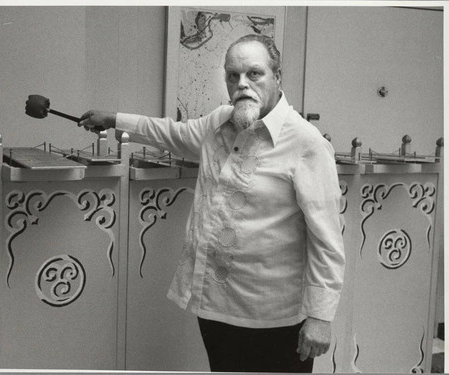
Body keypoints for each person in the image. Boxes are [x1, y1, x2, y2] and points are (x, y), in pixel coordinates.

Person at [79, 34, 345, 373]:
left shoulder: (306, 143)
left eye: (254, 74)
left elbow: (328, 241)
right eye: (232, 76)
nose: (241, 84)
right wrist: (115, 119)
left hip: (275, 320)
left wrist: (321, 317)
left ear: (278, 76)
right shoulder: (219, 123)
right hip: (216, 309)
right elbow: (171, 134)